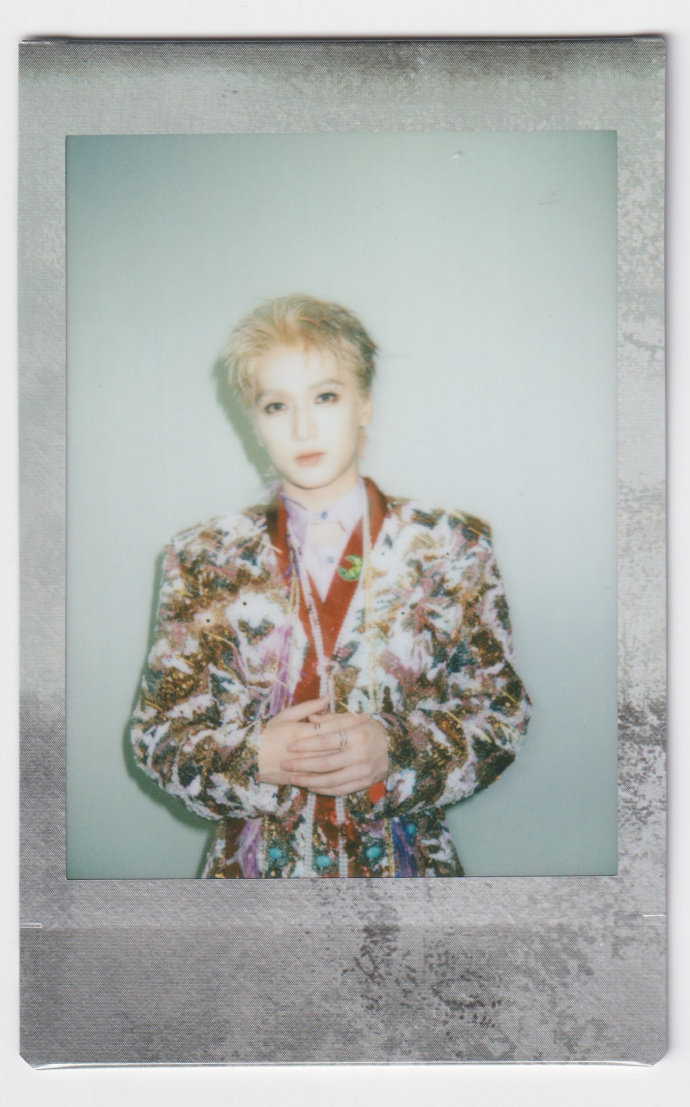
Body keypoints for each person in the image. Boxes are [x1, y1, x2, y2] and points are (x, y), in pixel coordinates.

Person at [130, 294, 531, 877]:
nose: (303, 427)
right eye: (276, 405)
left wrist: (395, 751)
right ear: (255, 421)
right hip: (254, 890)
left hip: (406, 881)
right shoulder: (202, 557)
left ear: (364, 403)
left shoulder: (449, 547)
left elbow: (499, 714)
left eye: (325, 396)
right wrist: (251, 757)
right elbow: (157, 735)